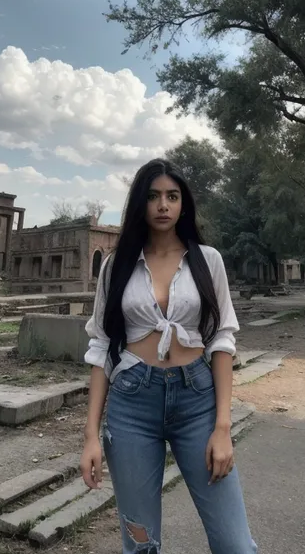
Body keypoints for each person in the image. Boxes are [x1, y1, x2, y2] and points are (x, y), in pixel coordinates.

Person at [80, 158, 257, 554]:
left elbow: (222, 340)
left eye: (172, 196)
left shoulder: (207, 260)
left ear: (183, 204)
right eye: (154, 196)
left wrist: (223, 427)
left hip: (197, 401)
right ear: (140, 204)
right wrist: (91, 435)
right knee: (142, 546)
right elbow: (101, 347)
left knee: (235, 546)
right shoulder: (116, 265)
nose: (163, 205)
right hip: (131, 406)